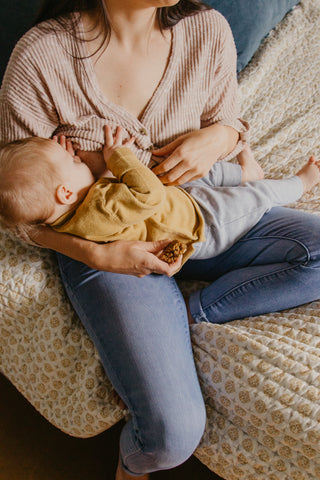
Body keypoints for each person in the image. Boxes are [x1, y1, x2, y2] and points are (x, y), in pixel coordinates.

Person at [1, 1, 320, 478]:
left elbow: (230, 122)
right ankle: (132, 467)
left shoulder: (206, 29)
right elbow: (21, 213)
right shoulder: (42, 58)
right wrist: (98, 252)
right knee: (172, 437)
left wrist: (219, 136)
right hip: (110, 246)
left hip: (197, 213)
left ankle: (195, 313)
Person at [1, 126, 319, 275]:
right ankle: (299, 184)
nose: (79, 159)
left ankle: (246, 174)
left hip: (178, 203)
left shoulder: (71, 216)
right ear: (65, 193)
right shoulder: (99, 207)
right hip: (205, 224)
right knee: (257, 197)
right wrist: (117, 158)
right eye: (73, 163)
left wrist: (57, 162)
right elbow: (147, 194)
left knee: (199, 172)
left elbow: (115, 199)